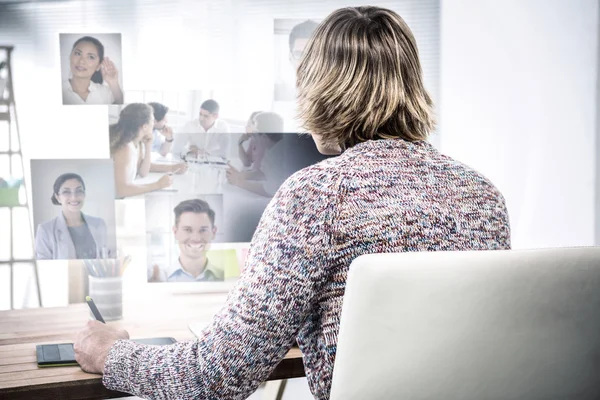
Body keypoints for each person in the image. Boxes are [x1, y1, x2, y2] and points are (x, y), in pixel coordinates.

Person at [74, 6, 511, 400]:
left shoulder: (317, 195)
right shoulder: (484, 196)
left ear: (320, 92)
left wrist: (114, 354)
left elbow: (215, 375)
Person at [110, 103, 187, 198]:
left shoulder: (137, 142)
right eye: (152, 120)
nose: (154, 123)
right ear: (144, 126)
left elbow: (143, 172)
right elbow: (121, 190)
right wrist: (157, 185)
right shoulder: (125, 148)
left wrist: (148, 146)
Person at [35, 173, 111, 260]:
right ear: (58, 197)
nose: (74, 197)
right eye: (66, 192)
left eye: (79, 191)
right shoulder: (45, 230)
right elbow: (43, 268)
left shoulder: (99, 224)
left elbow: (107, 258)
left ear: (84, 194)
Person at [148, 199, 224, 282]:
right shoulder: (161, 279)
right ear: (175, 232)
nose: (196, 238)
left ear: (213, 232)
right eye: (188, 230)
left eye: (203, 230)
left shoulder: (226, 278)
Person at [227, 112, 288, 197]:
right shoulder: (273, 150)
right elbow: (263, 173)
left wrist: (239, 182)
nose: (253, 137)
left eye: (254, 134)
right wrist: (241, 175)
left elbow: (270, 190)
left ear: (263, 137)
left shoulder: (280, 155)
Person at [62, 36, 124, 105]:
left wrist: (113, 82)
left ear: (98, 66)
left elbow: (122, 110)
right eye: (78, 53)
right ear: (70, 56)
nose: (81, 61)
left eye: (91, 57)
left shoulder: (105, 93)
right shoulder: (56, 90)